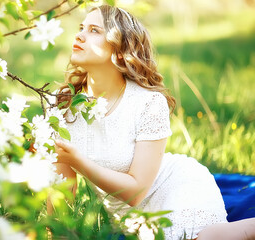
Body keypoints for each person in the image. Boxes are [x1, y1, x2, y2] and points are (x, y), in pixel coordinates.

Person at [53, 5, 228, 239]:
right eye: (81, 28)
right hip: (129, 219)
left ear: (119, 49)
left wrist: (78, 161)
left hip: (176, 186)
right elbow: (63, 190)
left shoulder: (149, 103)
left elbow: (135, 192)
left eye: (94, 30)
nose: (79, 35)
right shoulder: (63, 105)